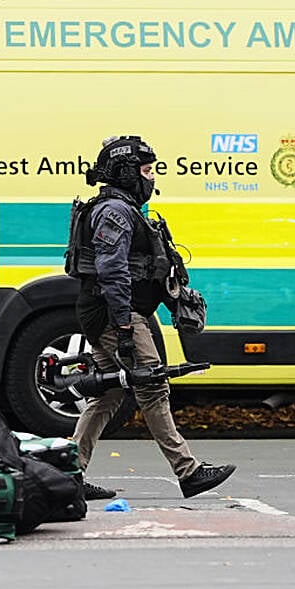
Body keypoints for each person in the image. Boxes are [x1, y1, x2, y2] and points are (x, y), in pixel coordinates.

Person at [70, 135, 236, 500]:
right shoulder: (115, 211)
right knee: (152, 385)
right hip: (118, 313)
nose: (152, 178)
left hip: (116, 311)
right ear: (127, 174)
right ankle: (188, 471)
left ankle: (69, 475)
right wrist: (126, 327)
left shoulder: (124, 208)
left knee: (108, 394)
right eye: (146, 171)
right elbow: (112, 271)